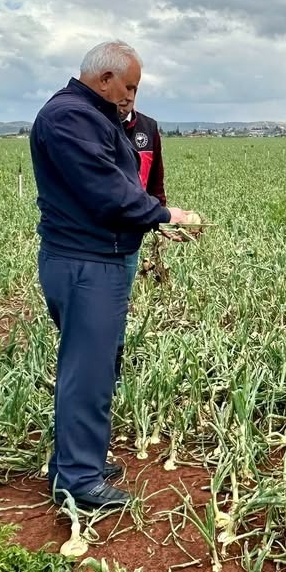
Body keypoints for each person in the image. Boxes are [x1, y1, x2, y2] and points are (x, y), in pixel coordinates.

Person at [30, 41, 194, 509]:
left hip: (95, 257)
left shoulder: (87, 116)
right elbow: (109, 192)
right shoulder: (70, 118)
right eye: (129, 86)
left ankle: (77, 463)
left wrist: (154, 215)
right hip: (87, 262)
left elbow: (124, 185)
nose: (131, 96)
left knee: (95, 365)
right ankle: (78, 482)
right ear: (104, 80)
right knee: (88, 371)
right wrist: (165, 216)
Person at [117, 97, 167, 297]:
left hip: (132, 229)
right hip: (100, 231)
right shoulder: (99, 126)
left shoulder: (148, 127)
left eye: (133, 88)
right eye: (124, 87)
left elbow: (156, 180)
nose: (127, 96)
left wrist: (162, 218)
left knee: (122, 296)